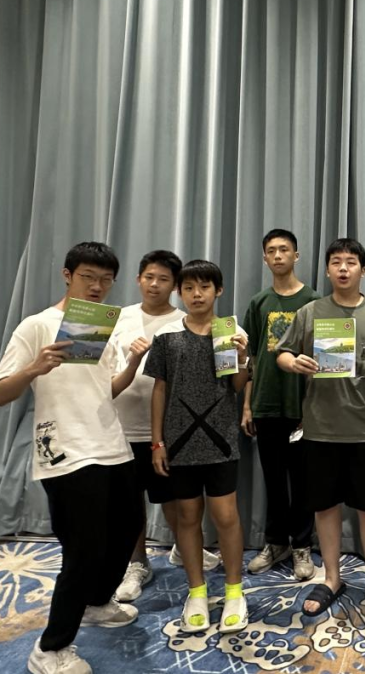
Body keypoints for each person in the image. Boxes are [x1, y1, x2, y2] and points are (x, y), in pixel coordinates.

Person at [0, 242, 142, 674]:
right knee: (83, 549)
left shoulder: (100, 326)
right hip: (65, 450)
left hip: (110, 444)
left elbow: (105, 390)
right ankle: (51, 648)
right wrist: (34, 369)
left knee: (128, 527)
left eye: (105, 280)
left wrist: (133, 363)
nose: (97, 286)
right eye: (88, 277)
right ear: (67, 275)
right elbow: (0, 393)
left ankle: (96, 603)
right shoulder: (37, 326)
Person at [276, 238, 365, 619]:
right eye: (336, 262)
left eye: (351, 262)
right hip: (321, 428)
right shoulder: (310, 312)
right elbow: (282, 352)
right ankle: (332, 577)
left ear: (364, 270)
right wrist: (292, 362)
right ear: (327, 270)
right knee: (325, 505)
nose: (343, 268)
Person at [145, 260, 250, 634]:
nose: (196, 294)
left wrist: (242, 359)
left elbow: (236, 386)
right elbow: (159, 390)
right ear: (180, 292)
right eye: (188, 288)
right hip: (179, 444)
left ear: (218, 290)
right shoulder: (167, 337)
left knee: (226, 517)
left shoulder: (230, 332)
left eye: (204, 287)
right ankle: (197, 592)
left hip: (221, 442)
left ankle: (235, 592)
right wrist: (157, 442)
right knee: (188, 518)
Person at [110, 250, 219, 603]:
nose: (154, 285)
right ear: (138, 279)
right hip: (120, 426)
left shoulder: (182, 322)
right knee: (130, 503)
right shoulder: (117, 318)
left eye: (163, 280)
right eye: (149, 277)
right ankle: (136, 563)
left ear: (175, 287)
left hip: (170, 430)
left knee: (175, 500)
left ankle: (183, 548)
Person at [241, 229, 320, 581]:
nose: (277, 256)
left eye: (284, 249)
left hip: (304, 407)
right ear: (264, 258)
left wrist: (312, 405)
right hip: (266, 404)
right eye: (271, 250)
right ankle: (275, 543)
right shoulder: (259, 303)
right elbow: (253, 359)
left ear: (296, 255)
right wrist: (248, 405)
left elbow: (324, 357)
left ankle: (302, 545)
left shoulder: (314, 301)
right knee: (273, 481)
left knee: (303, 482)